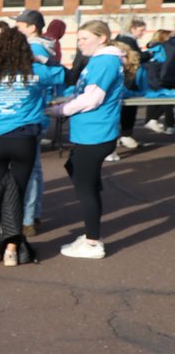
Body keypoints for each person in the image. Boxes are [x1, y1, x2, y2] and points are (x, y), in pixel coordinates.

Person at [0, 29, 67, 266]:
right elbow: (63, 72)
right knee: (18, 194)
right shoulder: (37, 71)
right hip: (24, 140)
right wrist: (40, 58)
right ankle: (12, 249)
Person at [54, 20, 125, 260]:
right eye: (79, 39)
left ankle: (93, 242)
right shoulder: (98, 61)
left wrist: (61, 111)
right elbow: (83, 92)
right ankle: (90, 235)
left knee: (86, 188)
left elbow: (92, 98)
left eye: (85, 38)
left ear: (102, 37)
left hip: (96, 134)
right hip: (89, 132)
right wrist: (63, 103)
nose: (80, 43)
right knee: (79, 173)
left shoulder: (105, 61)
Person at [13, 9, 53, 237]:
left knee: (29, 170)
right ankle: (31, 215)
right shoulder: (38, 46)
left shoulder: (34, 48)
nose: (16, 29)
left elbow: (34, 80)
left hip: (30, 113)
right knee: (33, 169)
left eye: (20, 25)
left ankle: (28, 218)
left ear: (32, 27)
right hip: (34, 113)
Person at [113, 18, 147, 150]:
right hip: (128, 79)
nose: (143, 32)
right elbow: (134, 57)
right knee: (127, 107)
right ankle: (124, 135)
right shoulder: (127, 41)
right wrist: (148, 55)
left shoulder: (123, 39)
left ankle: (123, 135)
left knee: (124, 107)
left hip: (127, 78)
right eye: (141, 30)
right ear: (132, 28)